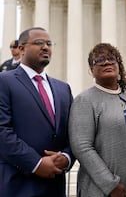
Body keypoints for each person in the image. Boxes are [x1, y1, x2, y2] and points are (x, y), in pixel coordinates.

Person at [69, 43, 126, 197]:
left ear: (118, 65)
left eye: (111, 58)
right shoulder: (85, 100)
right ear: (91, 70)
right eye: (99, 60)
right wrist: (110, 184)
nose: (106, 62)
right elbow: (82, 147)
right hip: (107, 189)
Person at [0, 27, 74, 196]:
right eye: (39, 43)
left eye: (49, 43)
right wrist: (36, 163)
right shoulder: (4, 81)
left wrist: (67, 157)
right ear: (21, 49)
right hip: (17, 184)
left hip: (55, 185)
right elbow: (2, 130)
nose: (45, 47)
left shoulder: (63, 89)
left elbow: (73, 132)